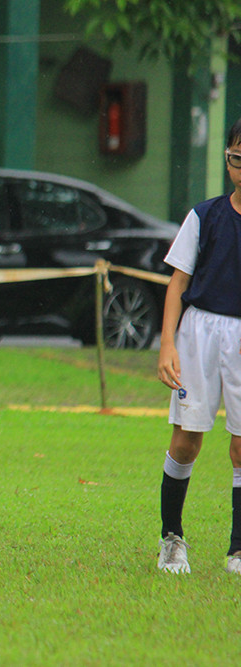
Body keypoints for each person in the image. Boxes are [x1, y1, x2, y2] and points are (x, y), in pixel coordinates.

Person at [155, 118, 241, 576]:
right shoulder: (204, 215)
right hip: (200, 332)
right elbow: (178, 282)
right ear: (227, 161)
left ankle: (238, 548)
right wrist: (167, 344)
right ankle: (172, 539)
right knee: (187, 441)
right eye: (237, 159)